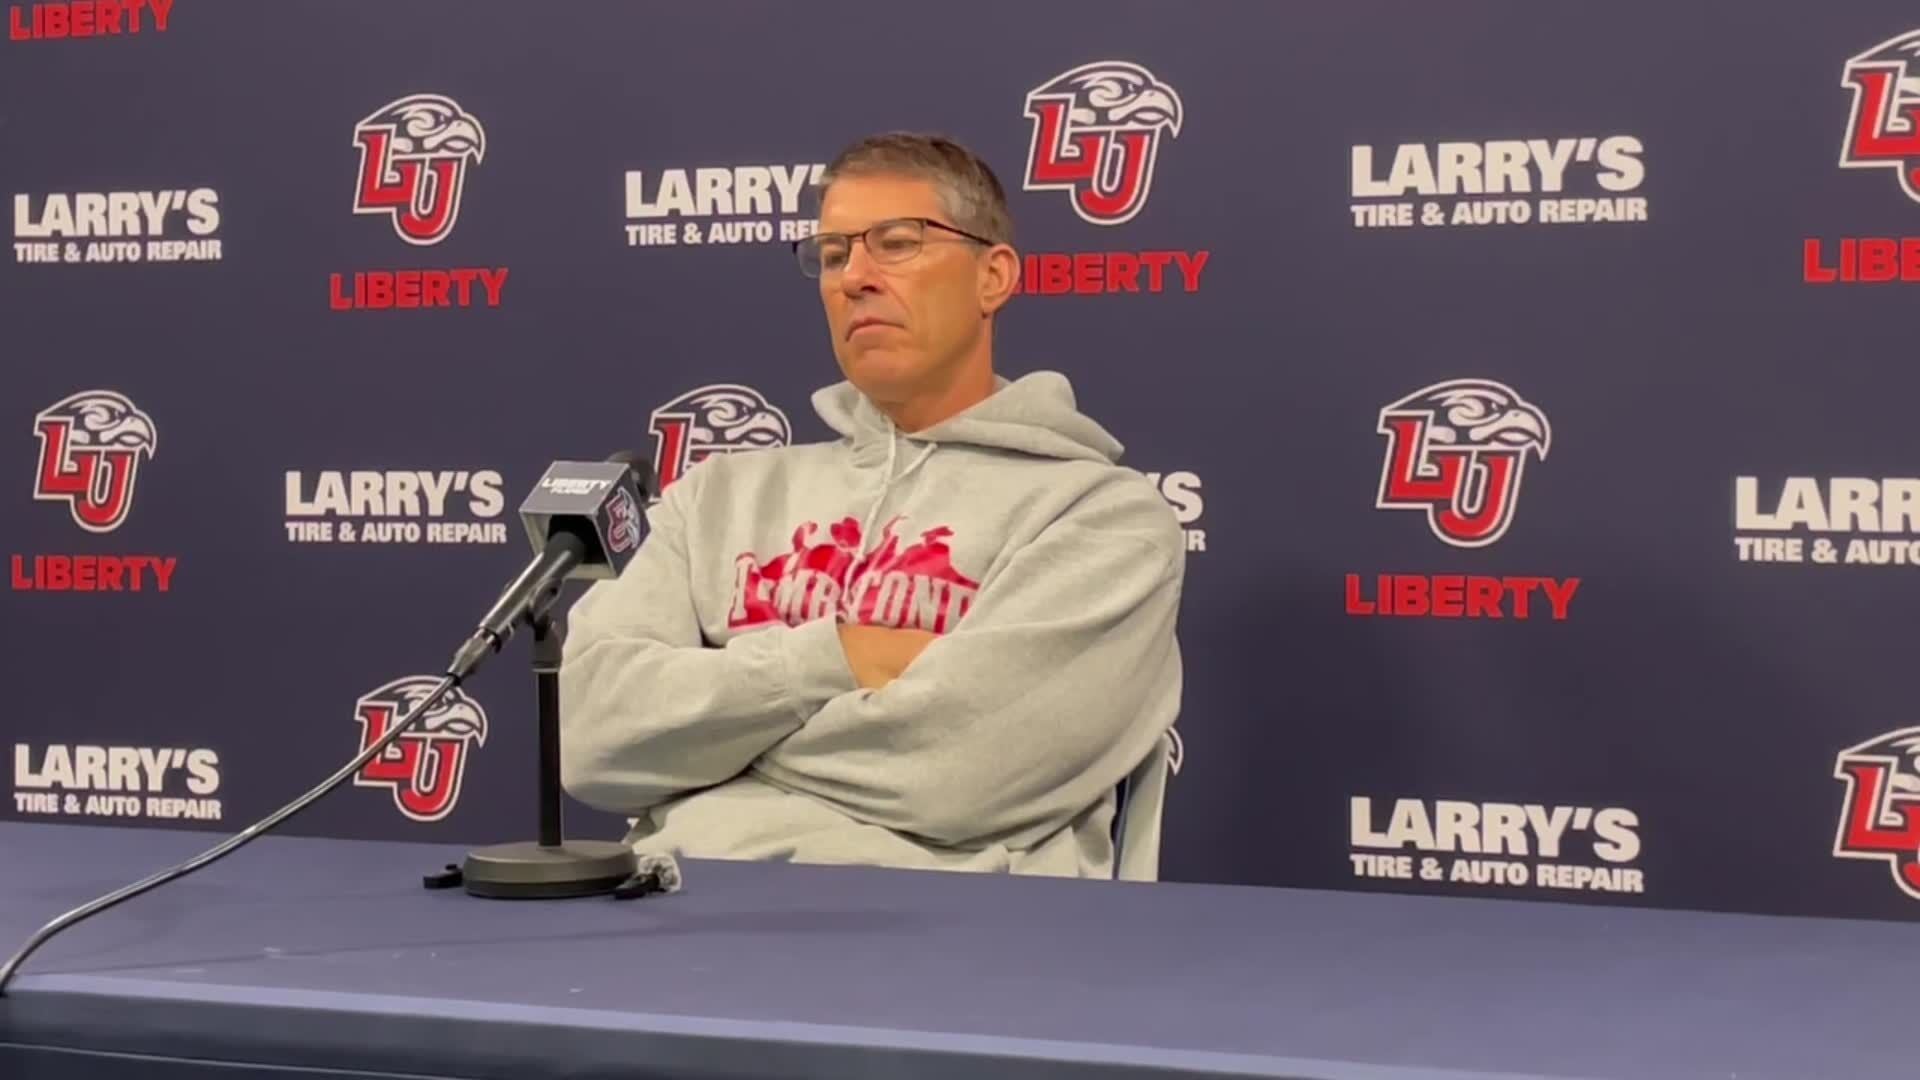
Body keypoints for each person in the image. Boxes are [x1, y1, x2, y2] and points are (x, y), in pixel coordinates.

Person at [558, 132, 1185, 878]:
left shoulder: (1101, 518)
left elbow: (960, 775)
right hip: (677, 931)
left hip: (953, 959)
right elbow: (590, 739)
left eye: (896, 243)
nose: (854, 276)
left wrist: (704, 752)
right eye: (831, 254)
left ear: (994, 276)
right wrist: (839, 658)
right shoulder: (714, 498)